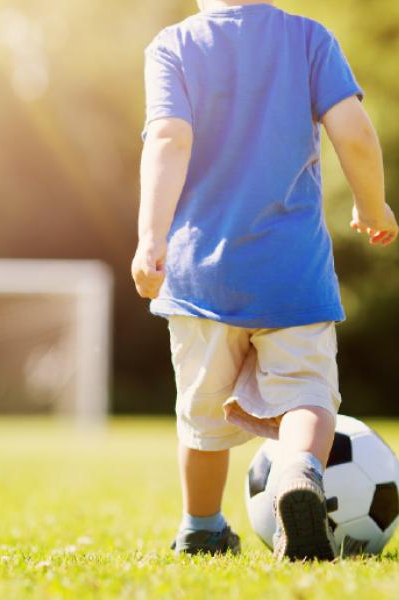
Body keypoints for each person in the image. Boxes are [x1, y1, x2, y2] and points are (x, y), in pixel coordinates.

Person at [132, 0, 398, 561]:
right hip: (292, 274)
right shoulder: (308, 39)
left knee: (201, 418)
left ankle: (201, 528)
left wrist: (150, 238)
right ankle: (300, 473)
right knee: (306, 395)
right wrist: (372, 208)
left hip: (201, 275)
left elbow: (168, 140)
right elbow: (353, 132)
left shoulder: (173, 46)